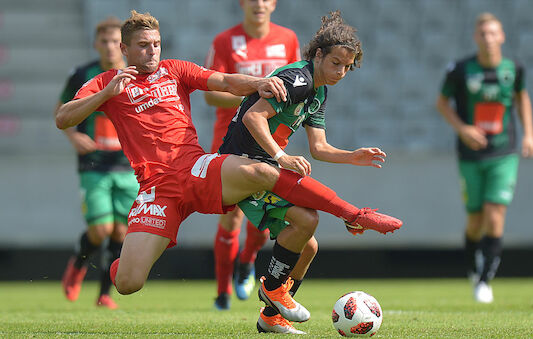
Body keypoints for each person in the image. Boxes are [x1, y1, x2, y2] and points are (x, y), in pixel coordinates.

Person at [54, 10, 401, 316]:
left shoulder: (174, 70)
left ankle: (353, 216)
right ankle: (124, 265)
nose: (152, 51)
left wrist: (261, 82)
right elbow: (63, 118)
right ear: (125, 49)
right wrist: (105, 95)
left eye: (156, 44)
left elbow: (222, 81)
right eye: (143, 45)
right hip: (157, 189)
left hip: (196, 167)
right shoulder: (106, 83)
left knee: (264, 172)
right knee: (128, 283)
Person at [219, 10, 391, 333]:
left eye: (347, 66)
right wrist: (282, 157)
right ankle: (271, 288)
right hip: (242, 163)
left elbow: (319, 147)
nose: (341, 71)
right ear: (318, 54)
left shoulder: (319, 90)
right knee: (307, 219)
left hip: (263, 164)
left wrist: (352, 156)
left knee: (308, 245)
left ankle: (270, 317)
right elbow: (252, 119)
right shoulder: (300, 79)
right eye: (336, 62)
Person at [203, 0, 301, 310]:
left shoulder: (288, 39)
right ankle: (222, 292)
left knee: (266, 216)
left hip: (271, 143)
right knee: (230, 216)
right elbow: (209, 94)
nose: (259, 3)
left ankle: (246, 261)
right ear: (242, 3)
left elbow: (301, 86)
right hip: (231, 141)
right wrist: (254, 94)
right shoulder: (224, 41)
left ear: (273, 3)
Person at [436, 12, 533, 303]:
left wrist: (529, 134)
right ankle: (472, 268)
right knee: (475, 221)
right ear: (476, 38)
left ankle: (484, 281)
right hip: (470, 155)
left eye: (494, 33)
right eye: (483, 33)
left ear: (502, 36)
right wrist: (463, 128)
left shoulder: (514, 68)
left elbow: (522, 98)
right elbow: (441, 102)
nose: (489, 38)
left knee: (495, 217)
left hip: (504, 153)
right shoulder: (460, 70)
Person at [54, 17, 139, 309]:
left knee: (121, 232)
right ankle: (78, 264)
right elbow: (61, 110)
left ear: (123, 46)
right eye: (103, 41)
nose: (109, 47)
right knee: (100, 231)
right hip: (93, 164)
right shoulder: (82, 74)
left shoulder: (135, 75)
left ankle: (104, 294)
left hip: (127, 164)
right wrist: (72, 137)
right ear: (95, 44)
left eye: (115, 42)